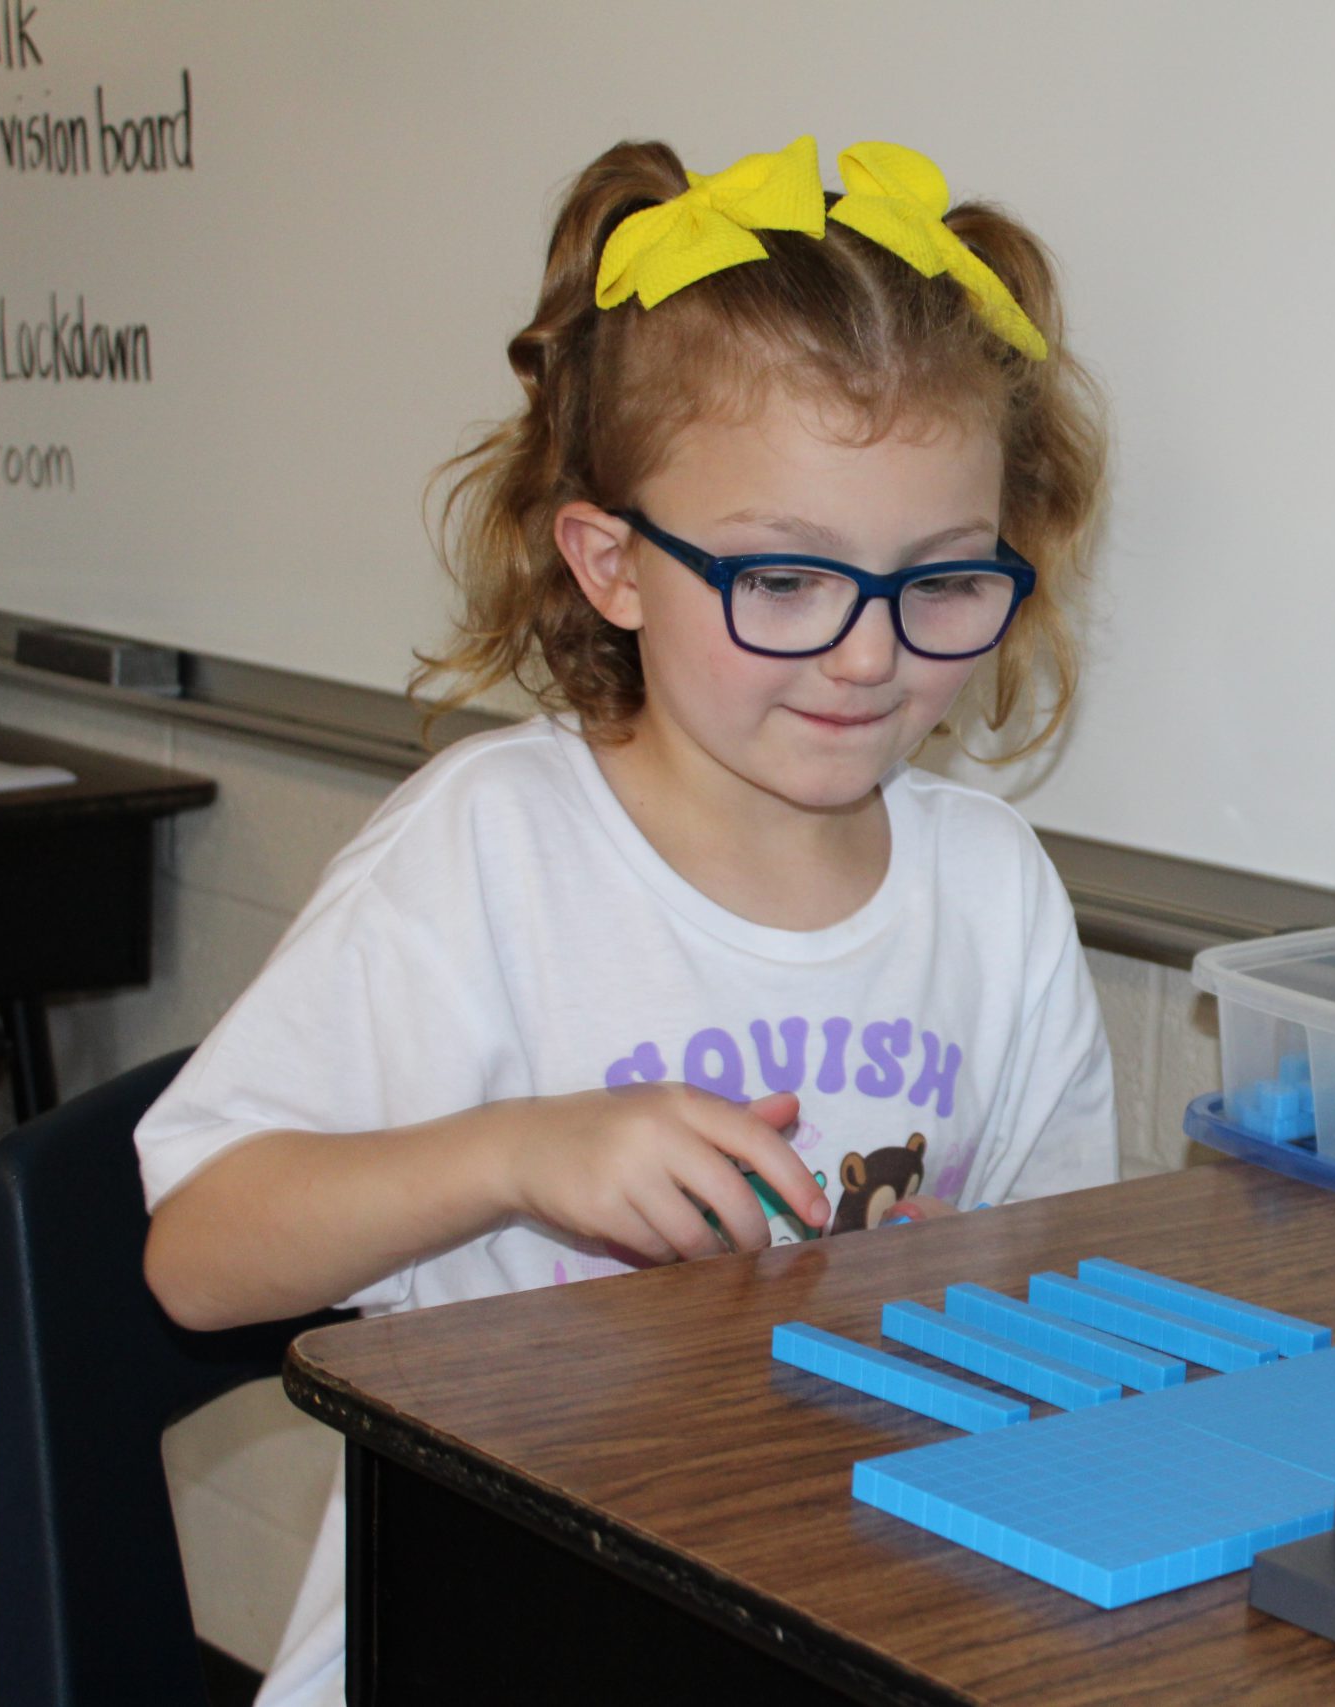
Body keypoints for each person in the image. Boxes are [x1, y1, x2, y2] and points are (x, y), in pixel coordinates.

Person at [135, 134, 1116, 1706]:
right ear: (613, 565)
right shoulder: (490, 851)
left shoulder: (993, 893)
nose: (867, 656)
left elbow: (1057, 1301)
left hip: (821, 1610)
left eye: (940, 581)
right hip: (478, 1623)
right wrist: (521, 1154)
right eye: (786, 580)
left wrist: (962, 1300)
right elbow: (197, 1260)